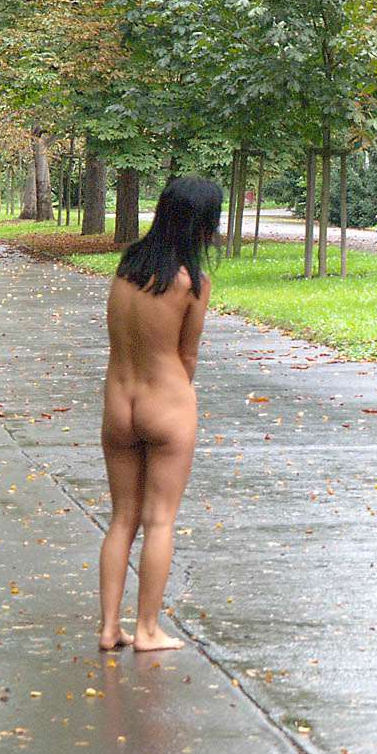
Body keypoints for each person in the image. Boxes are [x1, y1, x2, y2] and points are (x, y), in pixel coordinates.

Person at [98, 177, 222, 650]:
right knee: (160, 521)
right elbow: (187, 355)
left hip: (119, 403)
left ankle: (110, 628)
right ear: (201, 223)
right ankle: (148, 630)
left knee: (121, 519)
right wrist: (178, 397)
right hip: (165, 404)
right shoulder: (193, 283)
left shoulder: (127, 268)